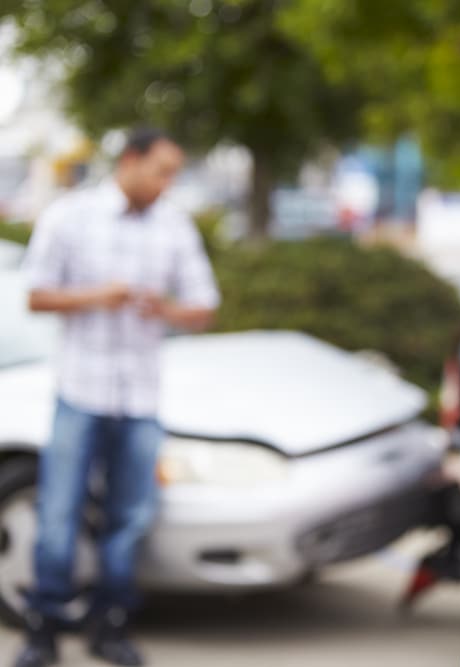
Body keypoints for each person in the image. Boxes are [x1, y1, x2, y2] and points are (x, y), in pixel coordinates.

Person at [14, 128, 219, 667]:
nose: (167, 184)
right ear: (130, 162)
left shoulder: (174, 225)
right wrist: (98, 296)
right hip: (79, 390)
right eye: (161, 171)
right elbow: (35, 295)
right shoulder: (71, 215)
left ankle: (111, 624)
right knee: (59, 513)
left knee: (129, 517)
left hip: (141, 397)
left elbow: (204, 306)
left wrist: (166, 311)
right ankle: (44, 628)